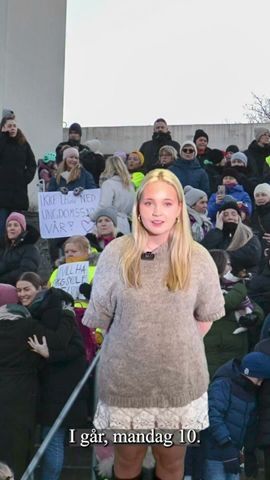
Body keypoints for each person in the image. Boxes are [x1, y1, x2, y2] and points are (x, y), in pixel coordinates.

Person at [82, 168, 225, 480]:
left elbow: (207, 318)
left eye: (167, 202)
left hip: (179, 384)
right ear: (137, 206)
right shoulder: (115, 253)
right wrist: (136, 343)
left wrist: (174, 343)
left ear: (178, 208)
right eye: (149, 202)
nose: (157, 211)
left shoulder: (198, 257)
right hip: (126, 384)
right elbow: (100, 319)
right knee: (127, 466)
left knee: (172, 466)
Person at [16, 272, 89, 480]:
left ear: (39, 288)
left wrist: (50, 355)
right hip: (45, 386)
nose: (22, 294)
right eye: (19, 290)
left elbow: (73, 347)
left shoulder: (54, 309)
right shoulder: (35, 310)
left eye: (26, 289)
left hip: (60, 387)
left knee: (52, 439)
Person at [0, 282, 76, 479]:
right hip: (22, 395)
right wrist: (68, 314)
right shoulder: (28, 326)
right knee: (18, 444)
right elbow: (59, 340)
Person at [201, 352, 270, 480]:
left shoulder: (250, 392)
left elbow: (250, 425)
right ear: (248, 373)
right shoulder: (223, 385)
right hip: (214, 455)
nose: (259, 384)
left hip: (234, 455)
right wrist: (226, 445)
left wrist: (249, 452)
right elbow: (213, 415)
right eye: (258, 379)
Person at [204, 249, 264, 379]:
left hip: (235, 350)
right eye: (228, 264)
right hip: (215, 351)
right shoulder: (207, 287)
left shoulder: (232, 286)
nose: (231, 268)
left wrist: (254, 316)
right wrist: (241, 287)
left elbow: (254, 307)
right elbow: (225, 303)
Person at [48, 235, 98, 362]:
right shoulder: (56, 272)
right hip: (62, 317)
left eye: (74, 251)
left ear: (86, 252)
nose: (69, 254)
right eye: (66, 252)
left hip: (86, 318)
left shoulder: (96, 270)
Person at [0, 114, 36, 235]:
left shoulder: (23, 144)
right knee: (2, 229)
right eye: (9, 126)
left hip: (18, 195)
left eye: (14, 125)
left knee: (17, 230)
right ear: (3, 128)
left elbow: (32, 164)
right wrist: (3, 136)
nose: (13, 128)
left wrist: (25, 178)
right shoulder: (2, 142)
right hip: (2, 197)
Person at [202, 201, 261, 274]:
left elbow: (252, 256)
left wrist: (221, 257)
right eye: (225, 215)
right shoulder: (216, 234)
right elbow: (203, 250)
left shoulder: (249, 235)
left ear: (239, 217)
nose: (230, 217)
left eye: (234, 214)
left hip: (243, 276)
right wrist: (217, 230)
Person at [94, 155, 135, 234]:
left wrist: (91, 216)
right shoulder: (130, 185)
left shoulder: (108, 184)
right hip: (125, 224)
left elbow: (104, 206)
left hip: (111, 224)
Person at [0, 212, 40, 285]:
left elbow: (25, 271)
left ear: (22, 229)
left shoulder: (30, 249)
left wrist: (2, 279)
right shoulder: (4, 249)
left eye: (16, 225)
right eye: (9, 225)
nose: (12, 228)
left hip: (20, 289)